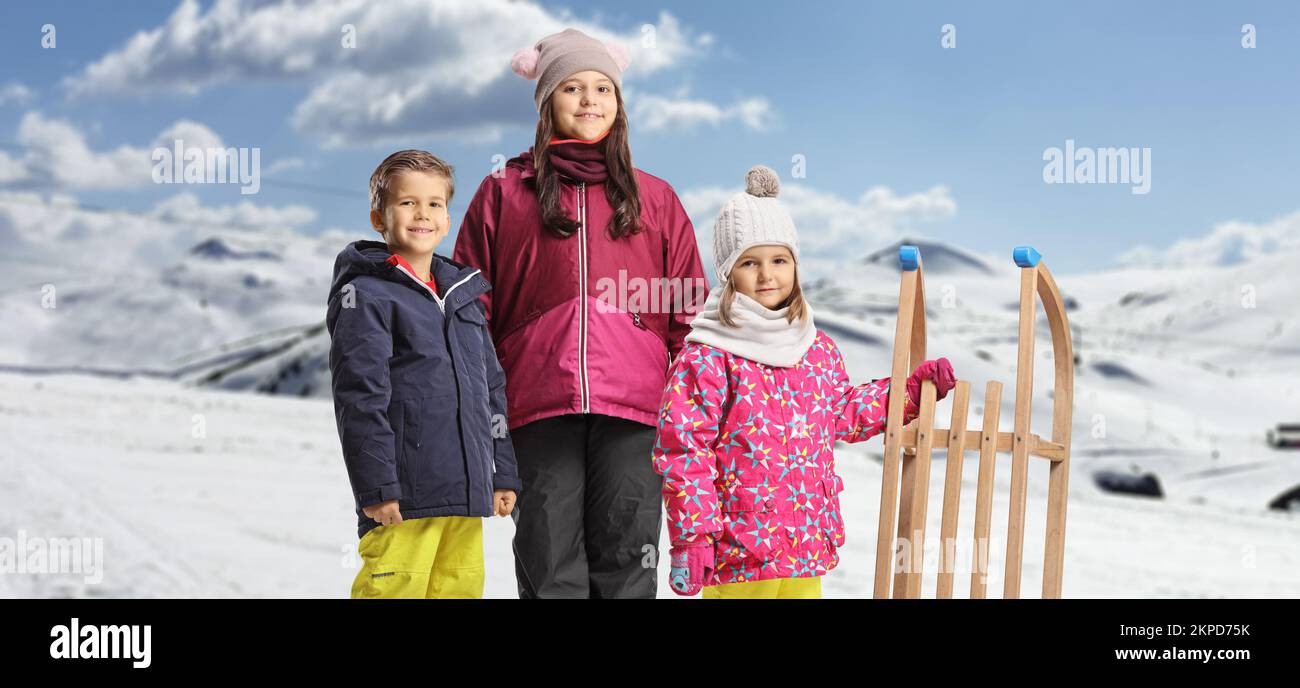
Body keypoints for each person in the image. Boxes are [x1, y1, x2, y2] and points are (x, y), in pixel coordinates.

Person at [453, 28, 707, 598]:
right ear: (547, 102)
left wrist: (686, 399)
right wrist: (482, 401)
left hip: (637, 407)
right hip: (537, 402)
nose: (589, 100)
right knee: (548, 555)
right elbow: (472, 306)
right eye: (572, 87)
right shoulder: (502, 192)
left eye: (602, 88)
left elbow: (688, 309)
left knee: (628, 551)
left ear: (619, 104)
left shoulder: (655, 197)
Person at [653, 165, 957, 599]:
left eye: (779, 260)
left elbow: (843, 413)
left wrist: (905, 392)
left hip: (804, 545)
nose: (766, 275)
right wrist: (693, 536)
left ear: (795, 265)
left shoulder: (816, 349)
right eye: (749, 263)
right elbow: (683, 448)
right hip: (740, 552)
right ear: (727, 273)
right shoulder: (708, 355)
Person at [327, 149, 521, 598]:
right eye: (407, 202)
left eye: (435, 203)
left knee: (460, 589)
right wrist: (377, 487)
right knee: (394, 590)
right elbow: (360, 398)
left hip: (466, 492)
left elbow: (492, 391)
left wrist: (502, 472)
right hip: (403, 498)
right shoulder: (366, 296)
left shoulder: (463, 297)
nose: (422, 214)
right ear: (379, 216)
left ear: (448, 219)